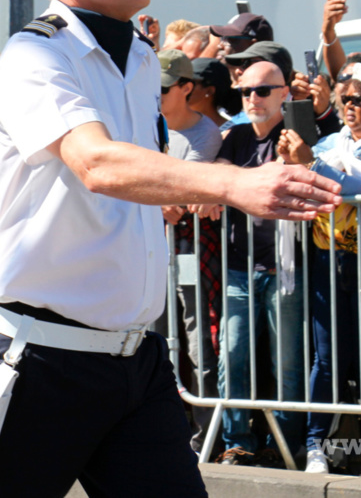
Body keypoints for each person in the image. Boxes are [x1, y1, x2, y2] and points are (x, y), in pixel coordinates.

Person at [0, 0, 341, 495]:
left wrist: (184, 193)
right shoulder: (36, 55)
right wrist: (229, 183)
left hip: (135, 362)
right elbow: (97, 163)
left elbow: (131, 180)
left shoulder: (135, 55)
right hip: (42, 365)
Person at [278, 61, 361, 475]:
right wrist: (293, 162)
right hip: (326, 259)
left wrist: (314, 167)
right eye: (345, 99)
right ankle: (317, 444)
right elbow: (320, 183)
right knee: (327, 356)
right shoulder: (328, 144)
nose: (350, 106)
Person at [192, 61, 305, 467]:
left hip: (285, 268)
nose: (252, 99)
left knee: (286, 363)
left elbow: (301, 168)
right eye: (245, 92)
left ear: (283, 92)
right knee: (233, 355)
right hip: (240, 266)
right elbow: (220, 172)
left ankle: (287, 444)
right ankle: (238, 442)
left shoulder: (295, 134)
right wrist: (214, 185)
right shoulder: (236, 135)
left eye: (262, 91)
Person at [158, 49, 222, 453]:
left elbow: (177, 197)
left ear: (186, 88)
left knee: (197, 345)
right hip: (148, 252)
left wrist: (144, 192)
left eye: (163, 89)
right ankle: (160, 434)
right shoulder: (144, 125)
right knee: (151, 344)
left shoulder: (206, 133)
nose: (156, 97)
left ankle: (205, 438)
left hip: (191, 252)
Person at [187, 57, 240, 129]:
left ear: (209, 91)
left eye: (190, 83)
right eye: (181, 82)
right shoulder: (173, 126)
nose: (182, 88)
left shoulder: (230, 135)